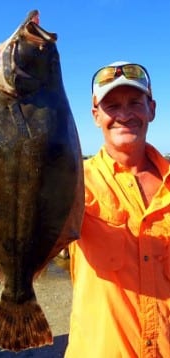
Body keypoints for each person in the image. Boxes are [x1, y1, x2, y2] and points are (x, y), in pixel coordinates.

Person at [65, 61, 170, 357]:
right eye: (112, 105)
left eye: (135, 102)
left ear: (151, 108)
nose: (124, 115)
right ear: (96, 115)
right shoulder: (72, 182)